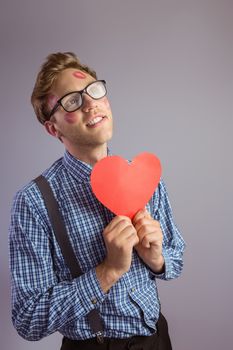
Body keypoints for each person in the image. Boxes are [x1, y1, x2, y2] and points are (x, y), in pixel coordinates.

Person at [9, 52, 185, 350]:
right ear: (54, 128)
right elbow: (28, 318)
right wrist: (108, 270)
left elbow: (176, 258)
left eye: (94, 91)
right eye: (73, 101)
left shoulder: (145, 178)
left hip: (157, 339)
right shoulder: (34, 202)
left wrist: (157, 259)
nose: (91, 103)